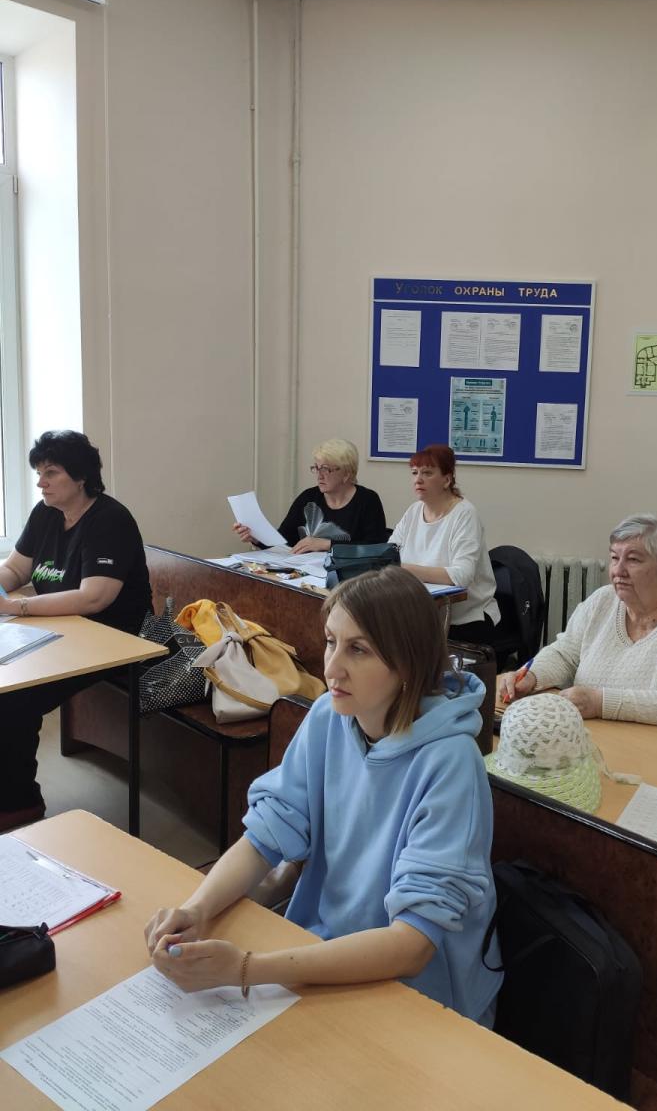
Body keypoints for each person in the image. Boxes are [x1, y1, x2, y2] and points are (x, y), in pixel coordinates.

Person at [145, 566, 501, 1025]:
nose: (331, 668)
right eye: (332, 641)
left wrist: (246, 969)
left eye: (358, 650)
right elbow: (267, 835)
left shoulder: (451, 763)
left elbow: (412, 946)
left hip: (419, 996)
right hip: (321, 951)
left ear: (408, 663)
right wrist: (196, 909)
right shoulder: (330, 716)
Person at [0, 430, 152, 830]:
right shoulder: (46, 513)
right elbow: (15, 568)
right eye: (38, 473)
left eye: (51, 472)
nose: (41, 483)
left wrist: (15, 607)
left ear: (81, 476)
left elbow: (93, 598)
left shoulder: (110, 520)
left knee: (14, 698)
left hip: (113, 639)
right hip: (62, 631)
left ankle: (20, 804)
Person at [498, 514, 657, 741]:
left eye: (633, 559)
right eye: (614, 558)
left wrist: (600, 703)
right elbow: (565, 654)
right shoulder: (602, 600)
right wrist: (532, 676)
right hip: (604, 740)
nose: (618, 571)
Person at [389, 444, 500, 646]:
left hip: (465, 619)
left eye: (427, 473)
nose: (418, 479)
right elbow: (389, 554)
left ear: (447, 480)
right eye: (414, 473)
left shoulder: (465, 514)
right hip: (421, 612)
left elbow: (461, 576)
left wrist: (404, 569)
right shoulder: (414, 511)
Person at [233, 438, 386, 554]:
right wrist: (257, 538)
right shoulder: (308, 498)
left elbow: (377, 548)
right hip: (306, 575)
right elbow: (284, 540)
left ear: (346, 474)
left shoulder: (367, 500)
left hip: (350, 579)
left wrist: (326, 544)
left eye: (326, 469)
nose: (319, 475)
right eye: (316, 468)